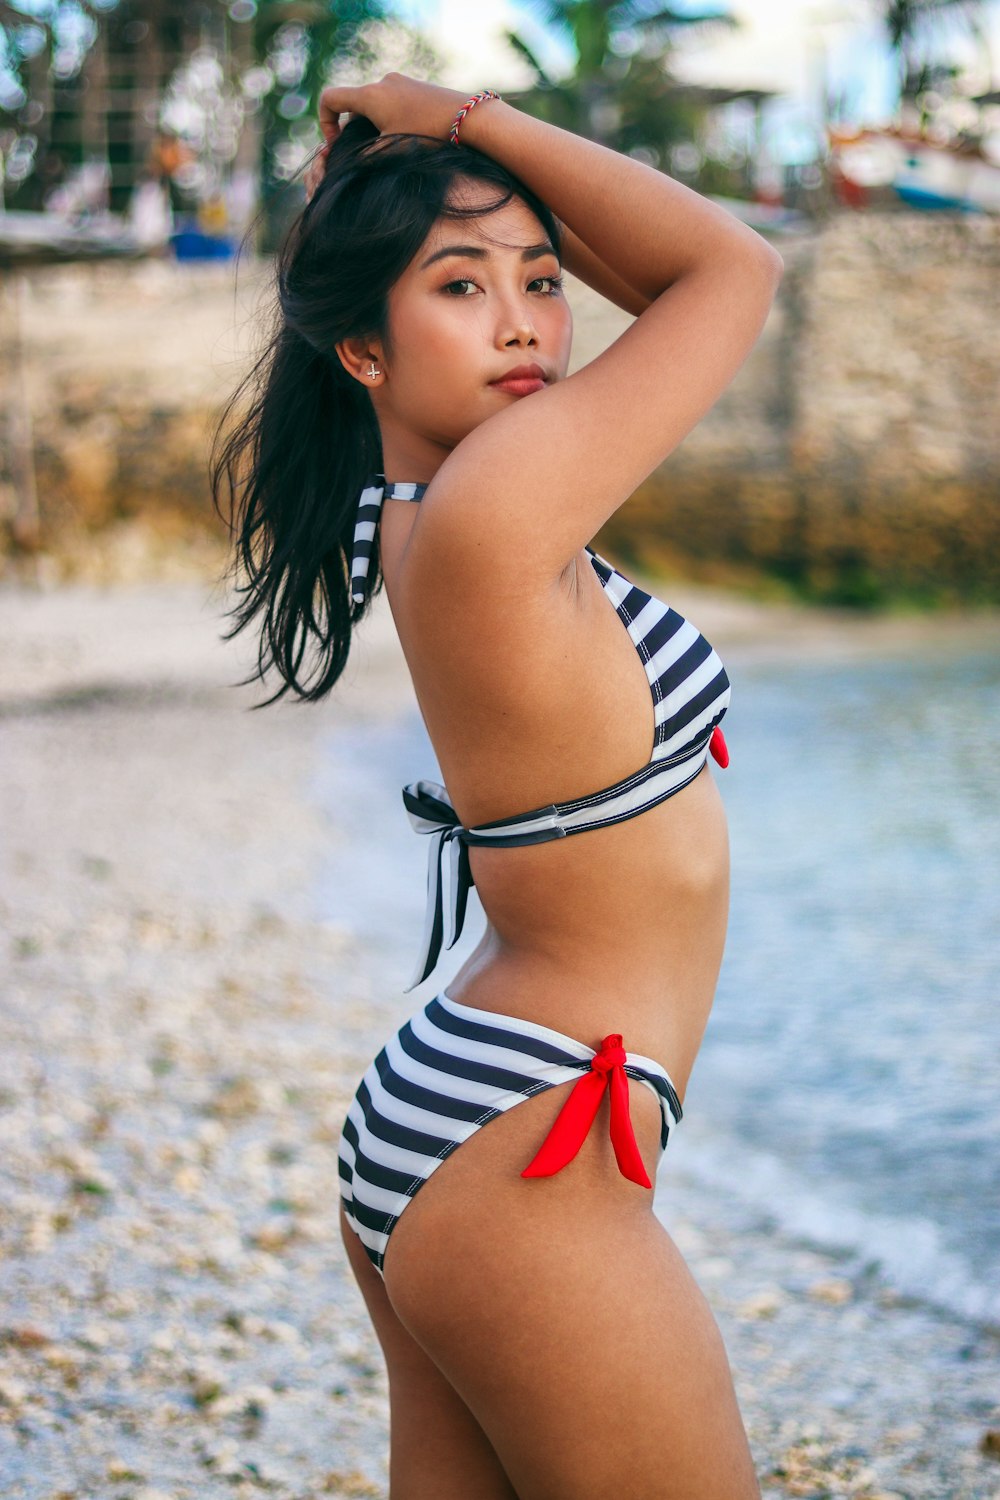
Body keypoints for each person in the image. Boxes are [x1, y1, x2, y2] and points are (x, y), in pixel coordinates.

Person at [211, 71, 782, 1499]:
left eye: (540, 279)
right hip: (527, 1145)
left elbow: (661, 276)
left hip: (472, 1119)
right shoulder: (493, 505)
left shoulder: (432, 508)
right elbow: (724, 267)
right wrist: (462, 118)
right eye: (461, 288)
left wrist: (442, 197)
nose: (527, 318)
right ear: (362, 347)